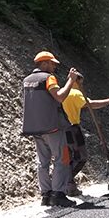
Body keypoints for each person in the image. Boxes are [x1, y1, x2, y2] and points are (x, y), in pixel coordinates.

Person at [22, 51, 78, 208]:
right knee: (62, 159)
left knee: (42, 162)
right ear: (44, 63)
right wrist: (70, 81)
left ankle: (45, 195)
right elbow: (59, 96)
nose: (54, 66)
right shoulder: (49, 78)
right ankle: (58, 195)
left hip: (34, 128)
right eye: (52, 63)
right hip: (52, 127)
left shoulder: (27, 80)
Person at [62, 73, 109, 196]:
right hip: (72, 128)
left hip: (61, 129)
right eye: (81, 83)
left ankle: (68, 186)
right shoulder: (75, 93)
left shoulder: (61, 92)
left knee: (67, 159)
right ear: (76, 81)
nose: (81, 86)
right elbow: (91, 105)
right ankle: (64, 181)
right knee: (81, 157)